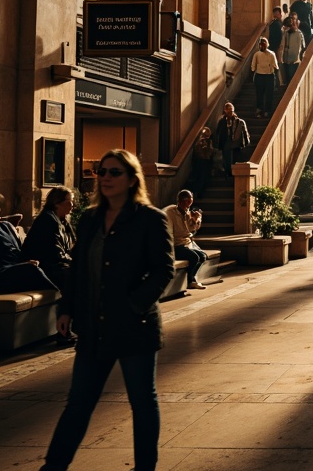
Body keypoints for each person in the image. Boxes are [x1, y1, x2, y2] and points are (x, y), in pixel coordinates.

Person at [38, 150, 173, 471]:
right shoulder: (90, 219)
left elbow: (163, 270)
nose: (106, 178)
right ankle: (52, 467)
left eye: (114, 172)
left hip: (134, 326)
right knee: (79, 403)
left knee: (142, 402)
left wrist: (134, 305)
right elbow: (77, 270)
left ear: (131, 179)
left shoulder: (150, 219)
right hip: (93, 326)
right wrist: (66, 308)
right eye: (102, 172)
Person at [0, 195, 58, 293]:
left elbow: (19, 250)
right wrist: (23, 265)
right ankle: (60, 298)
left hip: (14, 269)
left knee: (51, 265)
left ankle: (62, 299)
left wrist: (26, 261)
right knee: (32, 269)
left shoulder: (5, 225)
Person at [22, 186, 77, 294]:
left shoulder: (63, 221)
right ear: (57, 203)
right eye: (68, 201)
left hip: (56, 265)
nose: (72, 205)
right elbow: (54, 253)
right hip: (44, 268)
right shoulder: (47, 220)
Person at [164, 189, 207, 291]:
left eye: (190, 203)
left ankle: (191, 280)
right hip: (176, 245)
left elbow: (191, 230)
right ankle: (190, 281)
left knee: (203, 256)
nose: (188, 205)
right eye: (187, 202)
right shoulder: (171, 212)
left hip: (186, 244)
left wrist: (196, 220)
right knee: (194, 257)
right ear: (180, 201)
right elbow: (168, 231)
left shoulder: (187, 213)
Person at [213, 102, 250, 177]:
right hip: (226, 143)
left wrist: (245, 143)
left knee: (235, 160)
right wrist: (218, 144)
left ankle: (233, 174)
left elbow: (245, 133)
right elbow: (218, 133)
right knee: (227, 160)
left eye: (231, 111)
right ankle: (228, 173)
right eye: (228, 110)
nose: (230, 113)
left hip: (236, 144)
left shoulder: (239, 122)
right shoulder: (222, 122)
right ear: (225, 111)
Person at [250, 36, 279, 119]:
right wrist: (253, 72)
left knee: (269, 95)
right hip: (259, 76)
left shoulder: (271, 54)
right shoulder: (257, 54)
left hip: (269, 76)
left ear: (267, 45)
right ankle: (259, 110)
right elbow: (253, 66)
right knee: (259, 95)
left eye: (263, 44)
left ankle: (267, 111)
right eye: (260, 45)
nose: (262, 46)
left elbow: (276, 66)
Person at [278, 12, 304, 84]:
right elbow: (282, 45)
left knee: (291, 79)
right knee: (286, 79)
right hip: (285, 59)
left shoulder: (298, 33)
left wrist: (295, 58)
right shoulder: (285, 33)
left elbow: (299, 47)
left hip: (293, 60)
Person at [189, 126, 215, 196]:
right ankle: (199, 192)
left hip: (205, 161)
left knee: (203, 177)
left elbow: (210, 151)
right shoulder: (199, 141)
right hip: (200, 161)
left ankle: (200, 192)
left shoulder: (209, 141)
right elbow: (197, 151)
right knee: (200, 177)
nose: (206, 137)